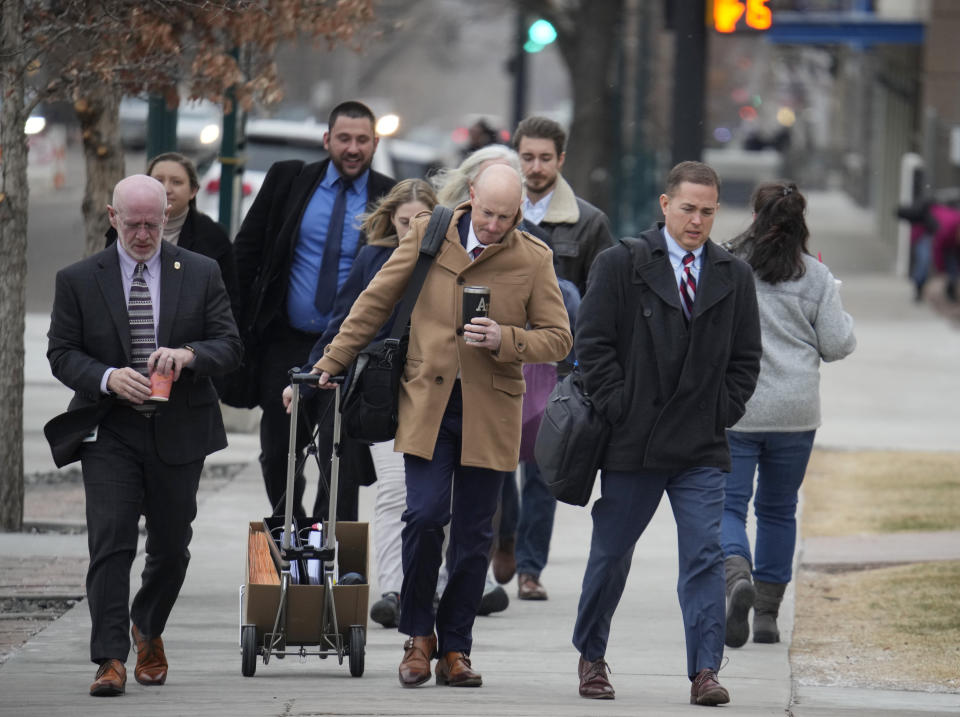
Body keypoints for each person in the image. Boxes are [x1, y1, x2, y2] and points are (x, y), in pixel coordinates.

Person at [312, 164, 571, 688]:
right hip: (428, 404)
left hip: (492, 410)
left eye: (507, 215)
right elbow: (375, 299)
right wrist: (332, 361)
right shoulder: (430, 234)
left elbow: (559, 338)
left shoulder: (533, 257)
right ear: (471, 196)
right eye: (489, 212)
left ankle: (456, 648)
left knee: (475, 533)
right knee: (426, 516)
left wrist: (507, 339)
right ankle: (417, 638)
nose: (496, 224)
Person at [571, 161, 761, 706]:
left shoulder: (732, 274)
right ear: (664, 204)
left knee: (704, 554)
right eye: (687, 209)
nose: (697, 221)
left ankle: (705, 670)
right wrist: (618, 406)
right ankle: (591, 656)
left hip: (701, 442)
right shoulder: (620, 264)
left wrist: (721, 410)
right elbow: (593, 344)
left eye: (706, 211)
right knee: (612, 553)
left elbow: (746, 359)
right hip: (633, 440)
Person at [46, 174, 242, 697]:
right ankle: (110, 657)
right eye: (131, 224)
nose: (141, 234)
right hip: (109, 429)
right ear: (112, 218)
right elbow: (62, 353)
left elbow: (228, 344)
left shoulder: (200, 272)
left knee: (172, 547)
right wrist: (109, 377)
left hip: (179, 429)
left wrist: (187, 356)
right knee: (110, 542)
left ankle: (147, 626)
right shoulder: (79, 279)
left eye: (151, 224)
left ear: (166, 218)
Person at [282, 179, 439, 629]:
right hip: (382, 391)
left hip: (435, 389)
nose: (412, 231)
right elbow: (345, 320)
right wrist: (313, 375)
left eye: (421, 222)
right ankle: (389, 589)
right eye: (405, 221)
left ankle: (431, 580)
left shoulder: (449, 262)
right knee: (390, 491)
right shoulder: (374, 258)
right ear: (391, 220)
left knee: (430, 498)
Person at [233, 100, 396, 520]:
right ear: (328, 140)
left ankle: (328, 539)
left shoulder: (388, 196)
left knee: (340, 455)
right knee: (277, 451)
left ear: (376, 143)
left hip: (349, 348)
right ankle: (292, 523)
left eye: (363, 139)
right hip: (285, 341)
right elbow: (247, 253)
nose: (353, 148)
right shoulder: (290, 181)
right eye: (344, 138)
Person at [721, 181, 856, 648]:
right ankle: (767, 616)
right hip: (795, 413)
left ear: (755, 217)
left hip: (738, 408)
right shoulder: (815, 276)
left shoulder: (728, 264)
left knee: (728, 505)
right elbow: (838, 344)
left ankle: (736, 574)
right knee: (779, 511)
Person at [492, 115, 614, 602]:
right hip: (500, 356)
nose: (536, 167)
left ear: (561, 160)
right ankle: (503, 538)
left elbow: (602, 296)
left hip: (558, 365)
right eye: (527, 157)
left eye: (545, 158)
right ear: (514, 156)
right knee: (496, 464)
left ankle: (529, 565)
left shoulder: (588, 222)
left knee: (543, 469)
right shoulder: (496, 212)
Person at [107, 152, 240, 316]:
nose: (166, 189)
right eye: (158, 180)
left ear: (193, 191)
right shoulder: (119, 228)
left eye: (176, 182)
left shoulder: (213, 236)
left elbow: (229, 302)